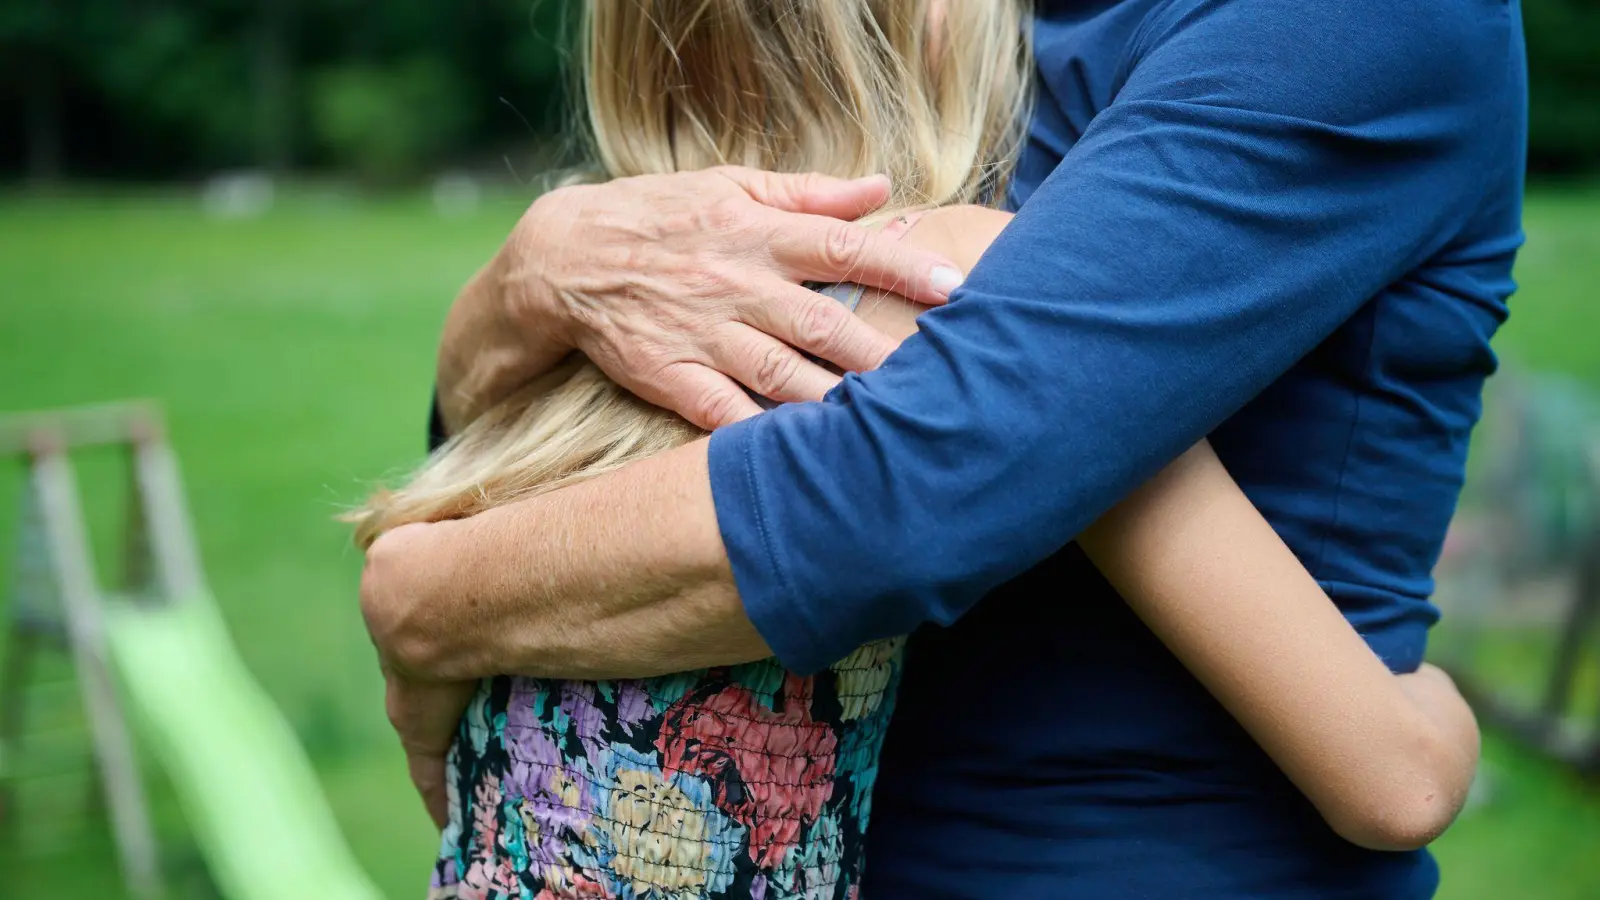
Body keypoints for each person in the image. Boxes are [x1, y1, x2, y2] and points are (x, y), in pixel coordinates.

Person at [361, 0, 1526, 896]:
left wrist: (430, 591)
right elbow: (1396, 776)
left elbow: (911, 487)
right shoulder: (910, 218)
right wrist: (523, 290)